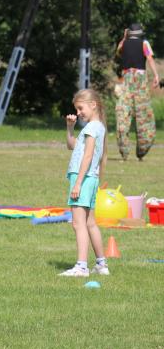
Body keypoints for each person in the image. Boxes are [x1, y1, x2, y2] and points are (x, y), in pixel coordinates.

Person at [59, 89, 109, 278]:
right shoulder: (96, 127)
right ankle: (101, 264)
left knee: (78, 224)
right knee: (90, 223)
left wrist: (78, 183)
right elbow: (72, 146)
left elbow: (87, 156)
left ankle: (81, 267)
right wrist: (70, 128)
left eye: (80, 108)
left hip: (83, 178)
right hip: (90, 178)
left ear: (93, 105)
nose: (78, 113)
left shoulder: (91, 128)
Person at [115, 23, 159, 161]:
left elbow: (118, 52)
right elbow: (150, 58)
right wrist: (156, 75)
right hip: (140, 83)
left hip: (126, 82)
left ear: (128, 33)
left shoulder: (124, 44)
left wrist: (124, 38)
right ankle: (142, 151)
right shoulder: (144, 43)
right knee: (144, 116)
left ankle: (124, 152)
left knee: (122, 115)